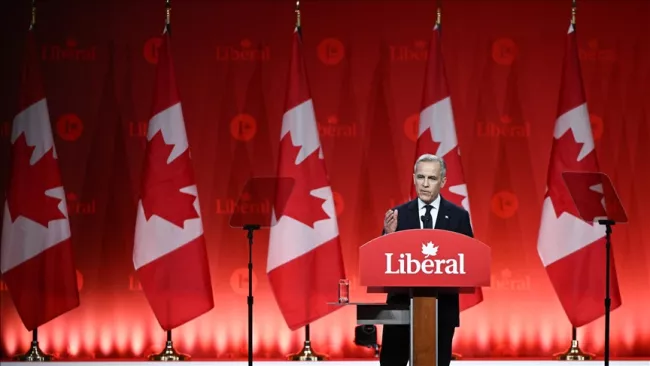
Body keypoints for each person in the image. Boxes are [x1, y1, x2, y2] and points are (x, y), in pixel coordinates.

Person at [379, 153, 474, 366]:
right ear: (414, 178)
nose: (424, 184)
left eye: (431, 179)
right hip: (400, 309)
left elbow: (469, 261)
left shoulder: (458, 216)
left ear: (443, 181)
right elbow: (381, 262)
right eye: (420, 177)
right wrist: (389, 236)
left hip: (442, 309)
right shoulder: (398, 215)